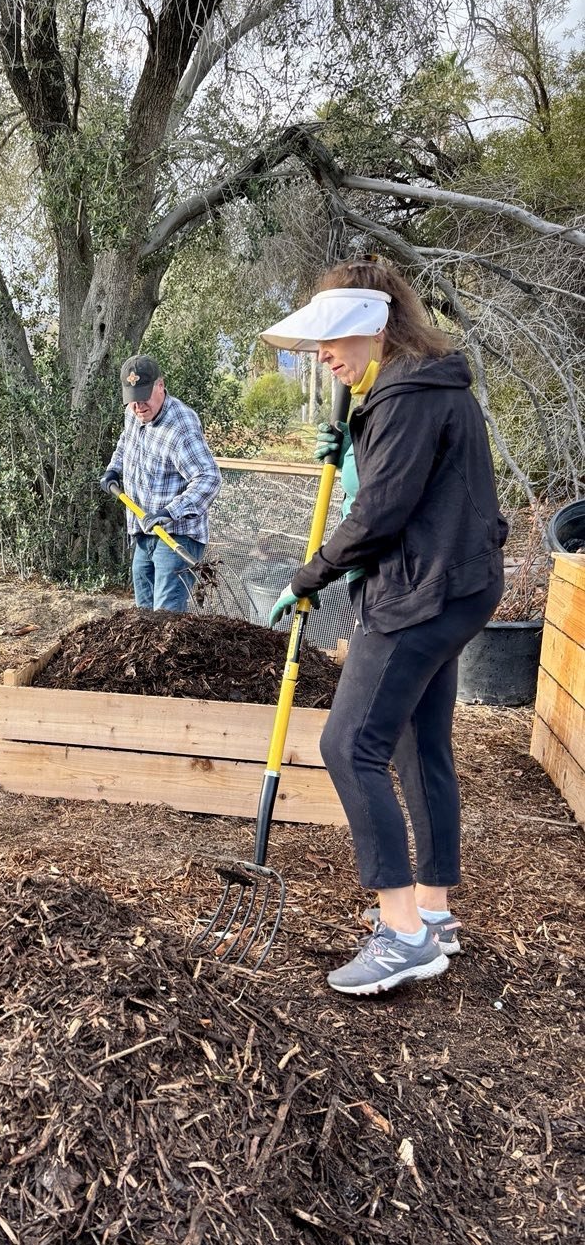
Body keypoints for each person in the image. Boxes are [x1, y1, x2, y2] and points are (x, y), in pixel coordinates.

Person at [260, 260, 507, 996]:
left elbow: (378, 519)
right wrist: (361, 457)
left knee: (349, 744)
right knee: (417, 739)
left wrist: (307, 578)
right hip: (460, 585)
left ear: (376, 327)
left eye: (334, 343)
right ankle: (433, 911)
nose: (324, 358)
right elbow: (407, 486)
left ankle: (400, 933)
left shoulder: (403, 397)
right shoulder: (420, 385)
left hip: (420, 593)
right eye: (318, 349)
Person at [100, 354, 222, 612]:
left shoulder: (181, 427)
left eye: (144, 397)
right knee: (144, 616)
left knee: (166, 619)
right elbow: (126, 441)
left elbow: (209, 478)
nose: (138, 406)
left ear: (160, 386)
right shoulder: (133, 412)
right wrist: (114, 469)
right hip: (143, 529)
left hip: (177, 535)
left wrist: (169, 513)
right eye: (133, 399)